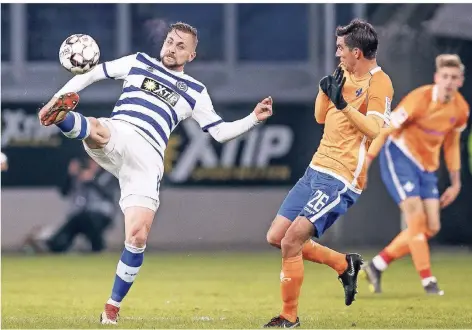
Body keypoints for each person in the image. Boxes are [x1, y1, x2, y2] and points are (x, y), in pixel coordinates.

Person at [37, 22, 273, 325]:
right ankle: (59, 116)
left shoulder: (196, 93)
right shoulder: (138, 62)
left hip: (148, 160)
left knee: (137, 237)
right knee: (96, 128)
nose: (172, 48)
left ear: (191, 55)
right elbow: (93, 73)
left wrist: (253, 118)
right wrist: (58, 97)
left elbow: (220, 133)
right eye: (170, 42)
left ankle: (111, 310)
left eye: (180, 46)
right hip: (121, 131)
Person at [263, 19, 393, 328]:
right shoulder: (343, 73)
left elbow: (375, 129)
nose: (337, 55)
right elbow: (321, 116)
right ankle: (342, 263)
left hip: (343, 177)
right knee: (276, 237)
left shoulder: (380, 83)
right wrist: (325, 93)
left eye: (341, 49)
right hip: (315, 169)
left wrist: (344, 104)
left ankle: (288, 317)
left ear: (357, 52)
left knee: (292, 240)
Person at [361, 54, 469, 295]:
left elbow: (452, 144)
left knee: (431, 227)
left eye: (454, 77)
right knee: (416, 220)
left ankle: (377, 266)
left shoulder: (460, 109)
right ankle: (428, 281)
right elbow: (385, 130)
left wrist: (455, 182)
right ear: (436, 78)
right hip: (399, 157)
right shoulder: (419, 99)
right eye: (445, 77)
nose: (449, 82)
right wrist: (367, 163)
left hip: (427, 166)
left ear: (461, 80)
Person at [22, 157, 118, 254]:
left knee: (88, 219)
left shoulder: (107, 176)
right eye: (90, 162)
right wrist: (70, 175)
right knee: (72, 223)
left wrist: (92, 181)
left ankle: (99, 247)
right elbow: (64, 192)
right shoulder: (80, 177)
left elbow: (108, 194)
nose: (92, 164)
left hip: (102, 214)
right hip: (81, 215)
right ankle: (54, 245)